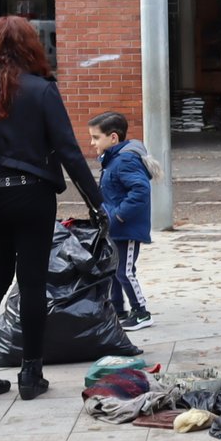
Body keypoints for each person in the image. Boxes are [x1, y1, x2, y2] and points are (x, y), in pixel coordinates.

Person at [0, 16, 104, 402]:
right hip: (31, 194)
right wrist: (97, 204)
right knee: (31, 281)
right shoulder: (43, 90)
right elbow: (67, 152)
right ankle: (31, 372)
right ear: (32, 46)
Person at [88, 111, 160, 331]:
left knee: (125, 271)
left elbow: (140, 190)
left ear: (113, 138)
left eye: (96, 137)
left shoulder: (125, 160)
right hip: (115, 226)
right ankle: (118, 310)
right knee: (113, 269)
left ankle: (141, 312)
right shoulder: (112, 160)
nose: (92, 143)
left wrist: (118, 215)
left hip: (126, 227)